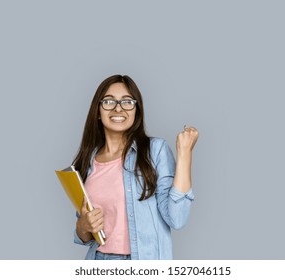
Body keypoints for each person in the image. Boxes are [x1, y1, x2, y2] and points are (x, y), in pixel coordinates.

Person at [72, 74, 198, 260]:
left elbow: (177, 219)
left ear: (136, 111)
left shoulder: (155, 151)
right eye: (108, 101)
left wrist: (185, 153)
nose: (118, 108)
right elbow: (85, 235)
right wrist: (82, 227)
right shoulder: (86, 162)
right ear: (98, 111)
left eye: (127, 102)